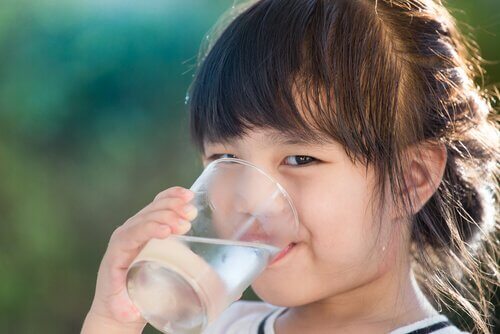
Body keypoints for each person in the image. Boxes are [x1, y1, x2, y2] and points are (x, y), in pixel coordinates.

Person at [81, 0, 499, 333]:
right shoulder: (225, 326)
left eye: (300, 158)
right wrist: (113, 321)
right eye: (226, 159)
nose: (250, 198)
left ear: (412, 179)